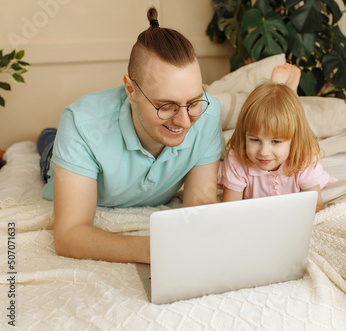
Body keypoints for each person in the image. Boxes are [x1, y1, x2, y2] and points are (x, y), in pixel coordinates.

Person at [38, 7, 223, 264]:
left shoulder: (208, 115)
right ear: (131, 90)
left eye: (193, 102)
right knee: (49, 143)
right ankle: (48, 136)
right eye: (165, 106)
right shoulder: (81, 123)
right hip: (59, 154)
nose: (184, 121)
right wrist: (155, 250)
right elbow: (70, 234)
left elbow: (201, 201)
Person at [221, 64, 336, 212]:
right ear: (244, 135)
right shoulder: (237, 158)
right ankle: (281, 92)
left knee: (293, 123)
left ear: (294, 141)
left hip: (297, 156)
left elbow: (315, 208)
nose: (264, 152)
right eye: (255, 140)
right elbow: (229, 210)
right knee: (281, 120)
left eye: (275, 141)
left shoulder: (305, 158)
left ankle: (288, 92)